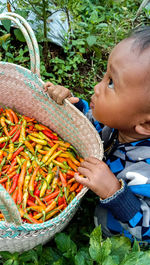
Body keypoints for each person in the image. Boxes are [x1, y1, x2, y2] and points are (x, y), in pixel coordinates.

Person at [44, 26, 150, 243]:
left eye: (111, 83)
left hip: (117, 239)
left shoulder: (145, 172)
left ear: (145, 124)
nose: (97, 87)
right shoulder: (119, 123)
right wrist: (75, 107)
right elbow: (94, 124)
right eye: (105, 75)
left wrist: (114, 193)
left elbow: (147, 231)